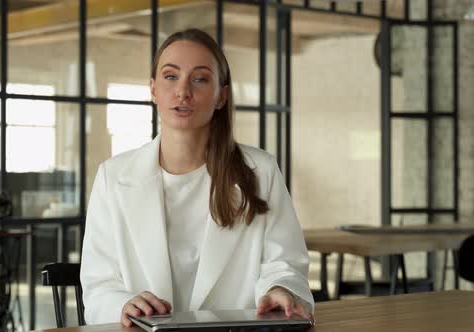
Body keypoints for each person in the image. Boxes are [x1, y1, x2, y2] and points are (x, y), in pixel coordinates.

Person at [80, 28, 314, 327]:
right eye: (170, 76)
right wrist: (122, 304)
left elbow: (285, 262)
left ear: (221, 96)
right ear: (153, 89)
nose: (183, 91)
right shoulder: (113, 177)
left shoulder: (261, 171)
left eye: (200, 79)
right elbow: (98, 283)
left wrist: (280, 289)